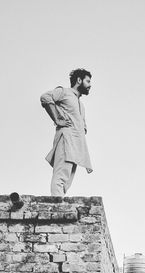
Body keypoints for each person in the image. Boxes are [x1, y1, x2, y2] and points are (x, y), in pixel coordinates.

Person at [40, 68, 93, 196]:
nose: (90, 85)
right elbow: (45, 97)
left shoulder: (81, 105)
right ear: (79, 80)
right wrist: (57, 119)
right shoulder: (65, 92)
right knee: (60, 177)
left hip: (76, 147)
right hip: (66, 140)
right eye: (88, 81)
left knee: (66, 182)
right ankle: (57, 210)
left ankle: (60, 206)